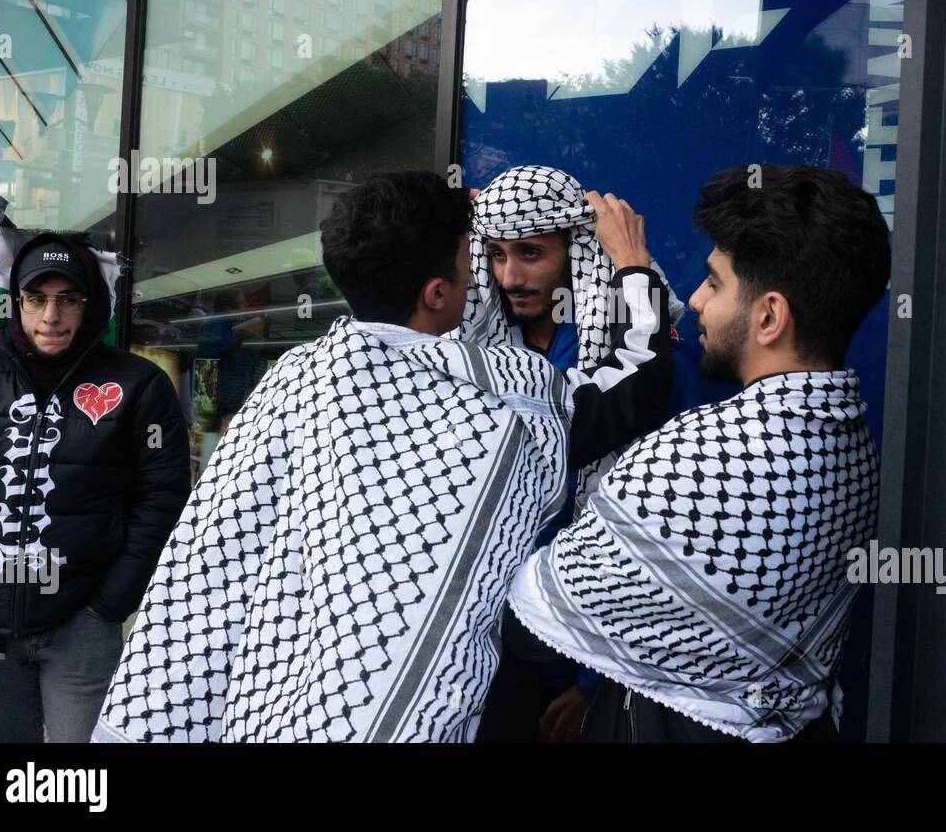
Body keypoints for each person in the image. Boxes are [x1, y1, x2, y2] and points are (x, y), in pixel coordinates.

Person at [92, 170, 673, 742]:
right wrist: (633, 267)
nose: (496, 275)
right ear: (439, 293)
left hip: (276, 710)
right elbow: (636, 386)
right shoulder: (507, 398)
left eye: (523, 252)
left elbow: (218, 553)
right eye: (480, 255)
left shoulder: (293, 380)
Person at [508, 164, 892, 742]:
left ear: (768, 317)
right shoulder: (855, 447)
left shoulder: (692, 462)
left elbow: (528, 620)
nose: (694, 299)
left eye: (713, 283)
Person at [459, 165, 701, 742]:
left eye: (529, 253)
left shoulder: (662, 374)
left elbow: (655, 538)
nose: (510, 275)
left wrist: (595, 685)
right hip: (490, 641)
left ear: (578, 252)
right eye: (494, 255)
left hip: (592, 653)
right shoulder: (482, 360)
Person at [0, 232, 190, 742]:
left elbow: (164, 499)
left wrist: (110, 603)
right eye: (36, 299)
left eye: (68, 299)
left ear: (92, 303)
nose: (50, 317)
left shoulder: (140, 385)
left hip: (82, 623)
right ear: (16, 303)